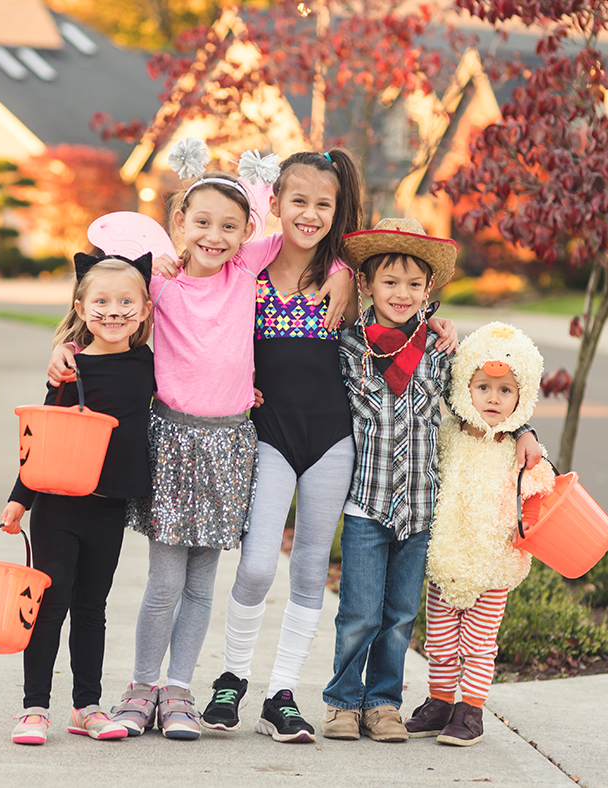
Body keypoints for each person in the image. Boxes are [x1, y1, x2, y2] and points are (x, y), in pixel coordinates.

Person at [46, 151, 352, 741]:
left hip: (231, 445)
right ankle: (142, 687)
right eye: (203, 222)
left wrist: (340, 268)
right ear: (181, 220)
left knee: (201, 584)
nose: (216, 236)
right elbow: (103, 303)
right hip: (173, 441)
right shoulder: (158, 281)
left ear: (247, 232)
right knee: (164, 581)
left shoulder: (246, 269)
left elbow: (303, 240)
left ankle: (180, 690)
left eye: (230, 226)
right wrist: (64, 344)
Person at [198, 151, 458, 744]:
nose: (310, 214)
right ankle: (232, 678)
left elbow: (402, 316)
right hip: (269, 435)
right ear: (275, 204)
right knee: (261, 562)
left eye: (324, 204)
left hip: (332, 440)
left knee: (312, 568)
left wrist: (442, 326)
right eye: (299, 201)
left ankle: (281, 695)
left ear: (337, 210)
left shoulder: (345, 279)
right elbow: (191, 275)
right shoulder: (247, 266)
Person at [321, 218, 542, 743]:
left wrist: (525, 430)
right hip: (367, 505)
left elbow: (484, 399)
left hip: (421, 507)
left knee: (399, 616)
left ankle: (383, 705)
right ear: (367, 284)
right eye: (390, 282)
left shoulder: (442, 351)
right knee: (357, 612)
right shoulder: (348, 345)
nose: (402, 293)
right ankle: (342, 703)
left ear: (429, 290)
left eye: (414, 284)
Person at [2, 254, 156, 746]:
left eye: (125, 301)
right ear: (81, 306)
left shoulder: (150, 362)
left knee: (92, 606)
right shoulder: (70, 368)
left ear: (146, 307)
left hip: (109, 505)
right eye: (102, 301)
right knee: (51, 602)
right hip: (59, 503)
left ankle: (86, 706)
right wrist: (19, 499)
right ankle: (34, 709)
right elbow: (43, 438)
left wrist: (246, 392)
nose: (113, 311)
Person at [405, 322, 555, 747]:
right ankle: (439, 701)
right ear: (465, 385)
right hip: (447, 561)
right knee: (439, 638)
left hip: (493, 566)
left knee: (478, 642)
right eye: (484, 386)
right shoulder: (446, 434)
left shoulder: (519, 449)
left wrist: (528, 437)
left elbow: (539, 500)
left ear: (522, 397)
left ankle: (470, 711)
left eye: (506, 390)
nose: (493, 398)